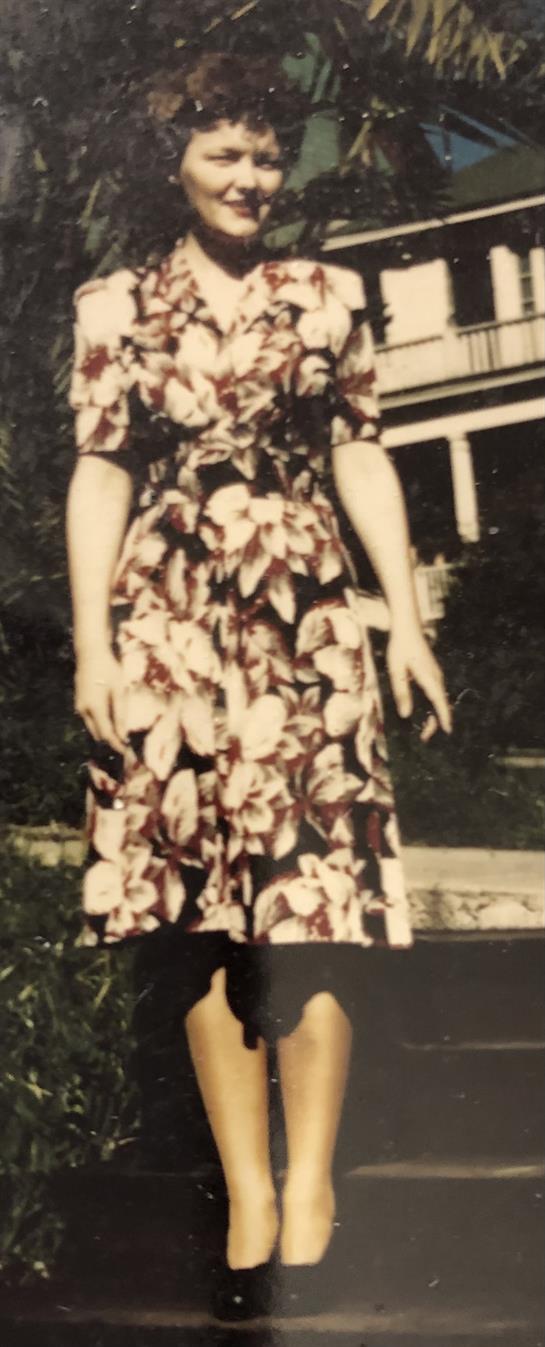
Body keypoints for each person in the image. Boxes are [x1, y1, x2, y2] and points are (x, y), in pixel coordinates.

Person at [66, 52, 451, 1318]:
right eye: (223, 153)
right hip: (169, 623)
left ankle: (311, 1183)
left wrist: (403, 621)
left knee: (310, 892)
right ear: (169, 162)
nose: (249, 177)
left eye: (265, 155)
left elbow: (362, 455)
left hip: (304, 619)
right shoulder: (114, 306)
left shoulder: (330, 293)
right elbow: (103, 475)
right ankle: (243, 1188)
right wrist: (91, 646)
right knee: (201, 913)